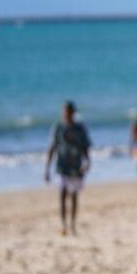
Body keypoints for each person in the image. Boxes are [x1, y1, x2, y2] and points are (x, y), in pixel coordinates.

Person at [44, 101, 91, 236]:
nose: (67, 114)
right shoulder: (58, 127)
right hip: (62, 166)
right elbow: (52, 148)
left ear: (73, 113)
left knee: (74, 196)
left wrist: (87, 161)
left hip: (76, 166)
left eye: (69, 111)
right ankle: (63, 224)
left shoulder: (80, 128)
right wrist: (47, 168)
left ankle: (73, 224)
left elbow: (85, 146)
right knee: (62, 194)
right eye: (65, 111)